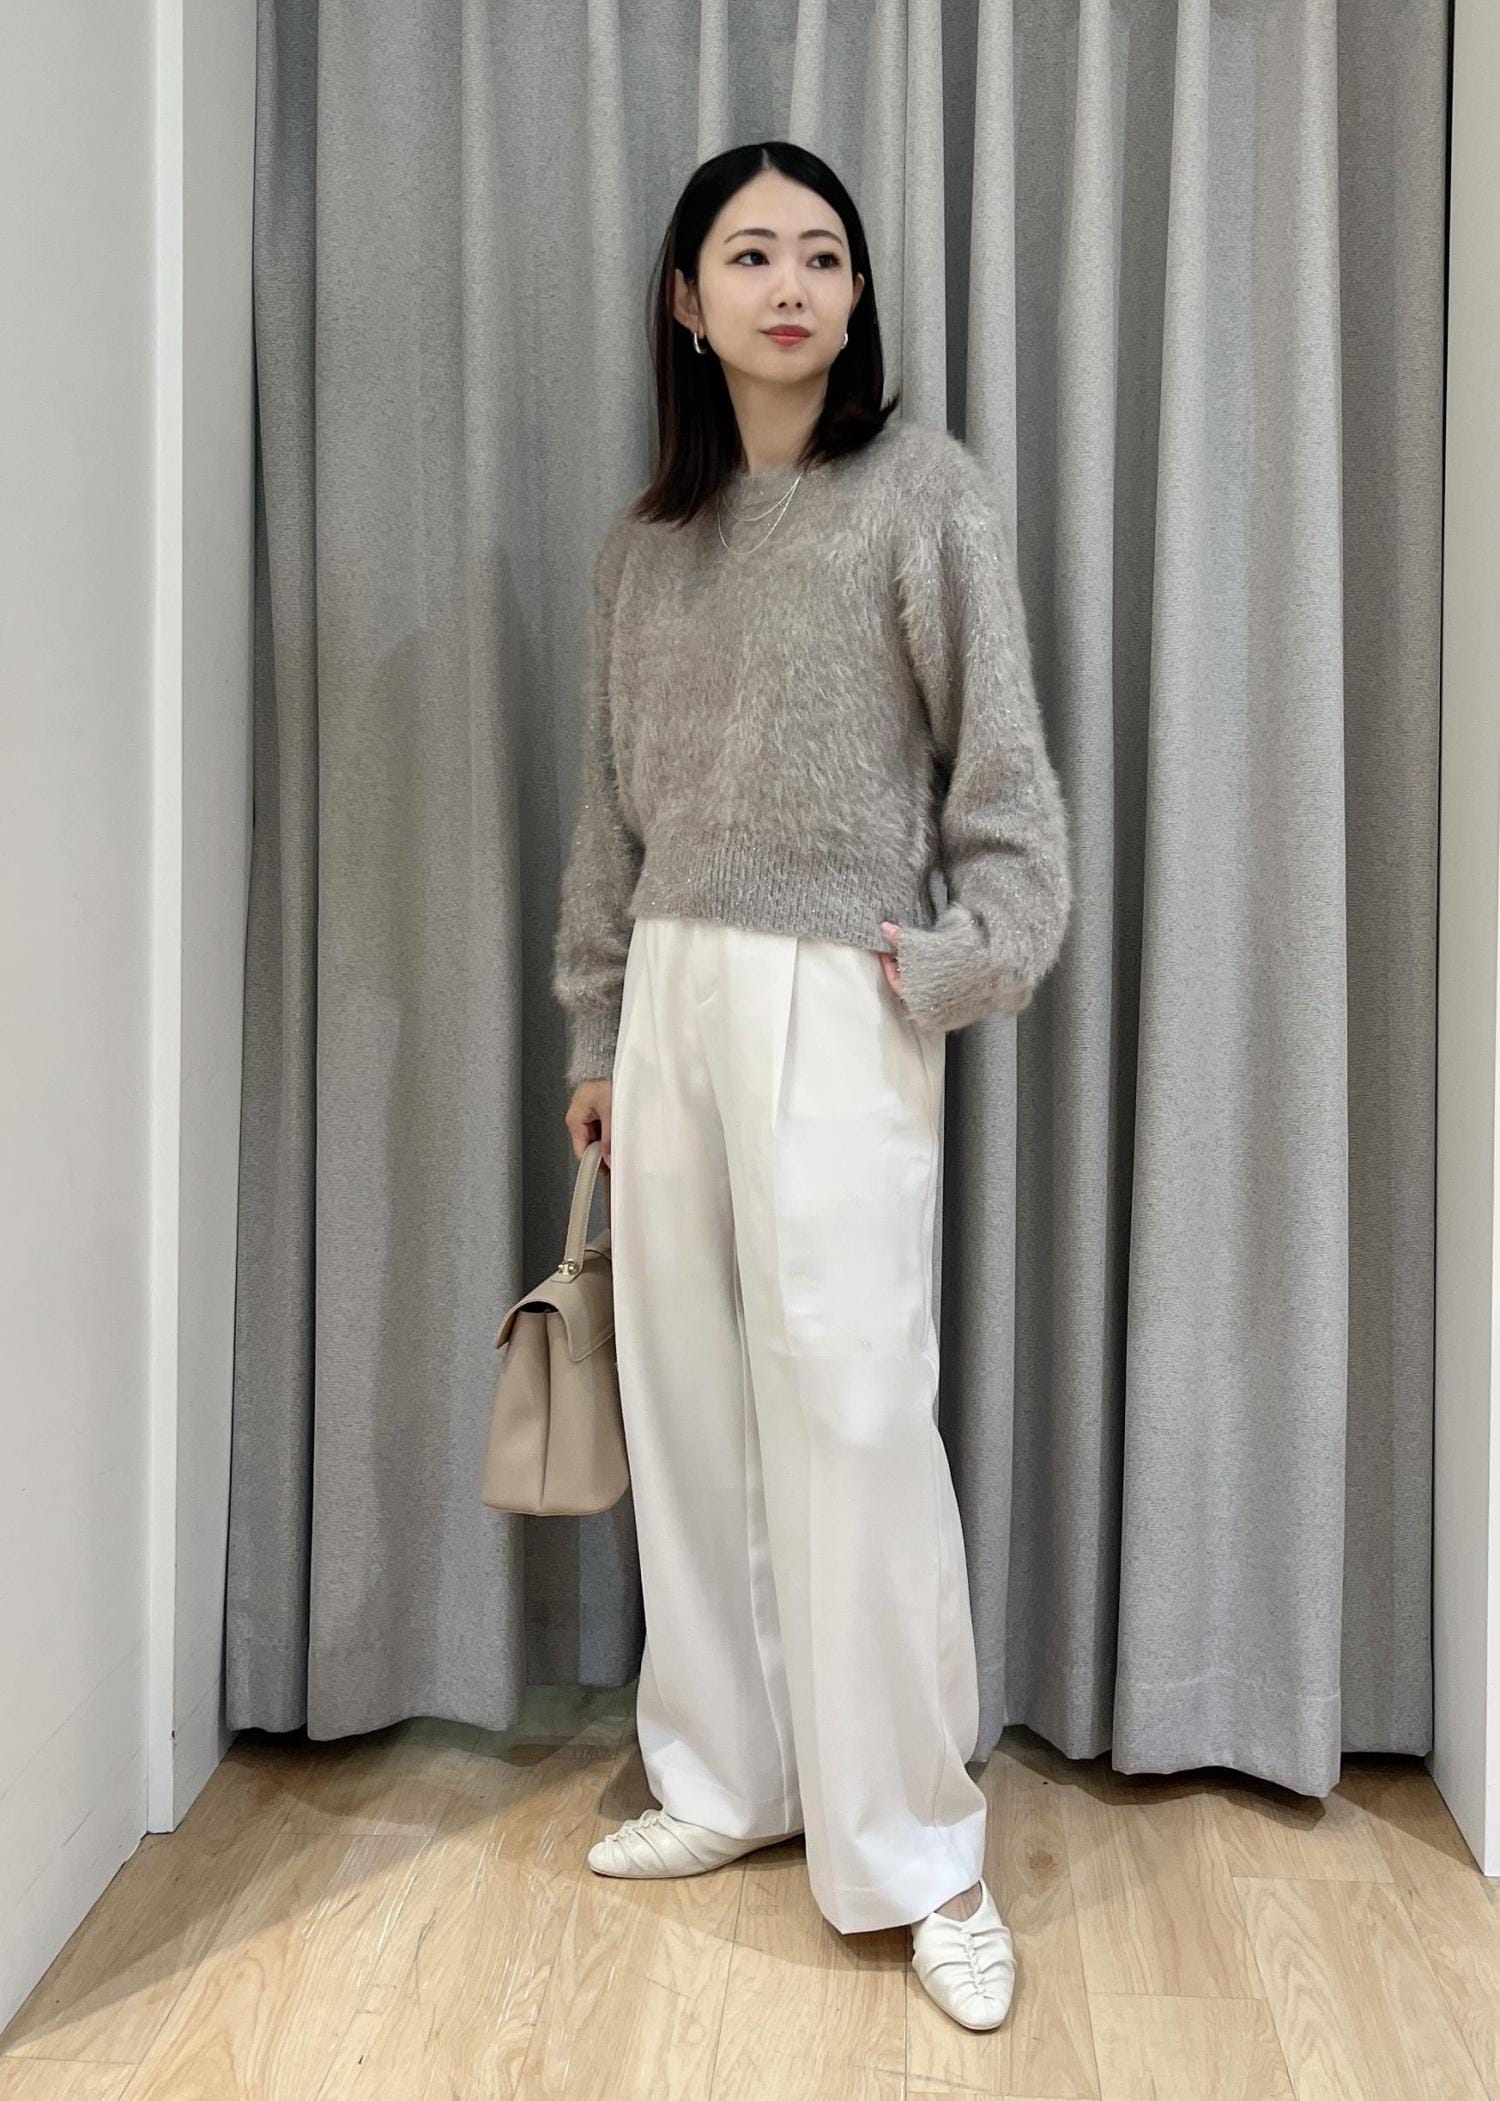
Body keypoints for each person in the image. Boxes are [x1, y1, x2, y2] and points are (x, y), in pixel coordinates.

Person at [552, 139, 1072, 2034]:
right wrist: (600, 1033)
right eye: (753, 254)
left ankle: (923, 1852)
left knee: (852, 1414)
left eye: (825, 256)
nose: (793, 285)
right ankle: (725, 1773)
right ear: (686, 302)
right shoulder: (645, 548)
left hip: (840, 1000)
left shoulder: (923, 496)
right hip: (675, 995)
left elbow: (1003, 788)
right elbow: (609, 820)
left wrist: (952, 961)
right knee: (690, 1406)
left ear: (856, 299)